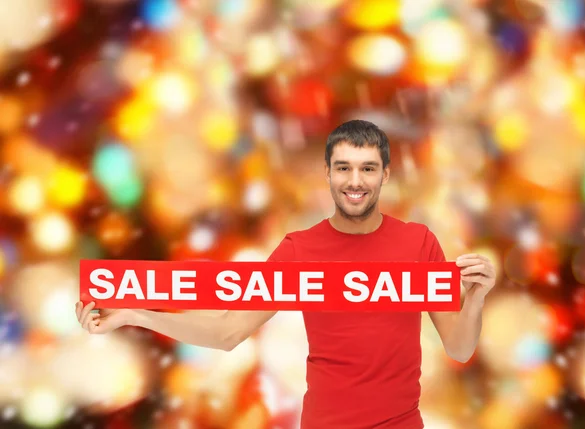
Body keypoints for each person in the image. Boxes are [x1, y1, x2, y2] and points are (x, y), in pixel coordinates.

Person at [76, 120, 496, 429]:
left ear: (384, 175)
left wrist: (474, 298)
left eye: (367, 168)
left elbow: (458, 348)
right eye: (343, 168)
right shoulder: (299, 252)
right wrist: (136, 313)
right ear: (330, 175)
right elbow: (228, 332)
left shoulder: (419, 246)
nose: (355, 181)